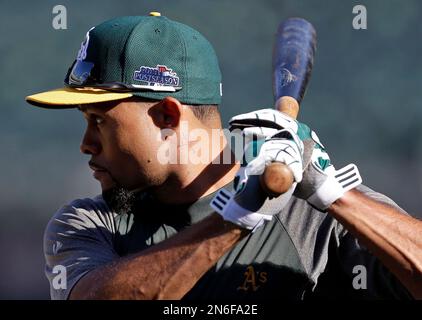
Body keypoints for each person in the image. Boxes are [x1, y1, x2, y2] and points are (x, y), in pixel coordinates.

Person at [26, 13, 422, 300]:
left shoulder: (313, 217)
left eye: (99, 121)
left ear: (167, 116)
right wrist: (233, 219)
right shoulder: (87, 223)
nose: (86, 144)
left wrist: (334, 194)